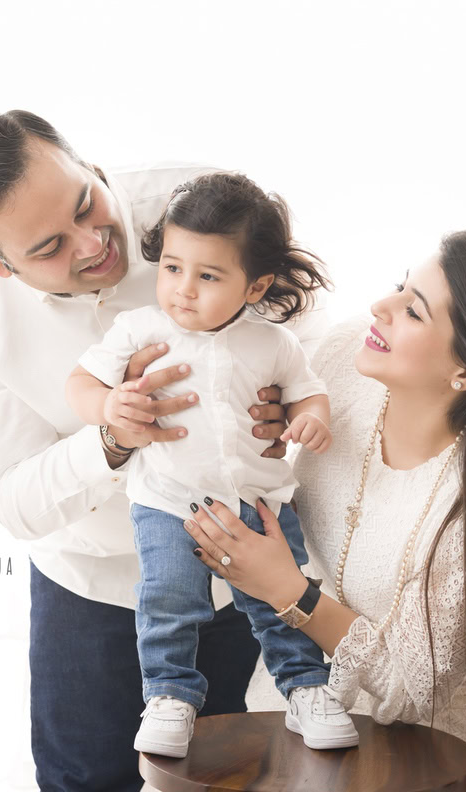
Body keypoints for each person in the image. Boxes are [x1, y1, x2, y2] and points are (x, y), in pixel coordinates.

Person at [0, 111, 326, 792]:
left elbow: (302, 312)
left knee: (237, 779)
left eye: (88, 203)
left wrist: (288, 403)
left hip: (241, 561)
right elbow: (14, 502)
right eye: (51, 246)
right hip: (93, 579)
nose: (93, 243)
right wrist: (111, 439)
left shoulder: (200, 205)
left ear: (86, 163)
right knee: (85, 783)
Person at [184, 231, 466, 792]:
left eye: (413, 310)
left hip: (411, 769)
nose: (381, 307)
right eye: (400, 286)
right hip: (290, 723)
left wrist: (289, 591)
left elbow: (407, 688)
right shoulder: (345, 364)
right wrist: (265, 427)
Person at [65, 172, 357, 759]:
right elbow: (80, 383)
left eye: (208, 276)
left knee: (281, 600)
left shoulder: (273, 343)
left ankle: (306, 690)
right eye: (172, 268)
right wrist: (108, 406)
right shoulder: (139, 329)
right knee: (169, 600)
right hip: (168, 501)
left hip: (259, 503)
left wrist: (313, 419)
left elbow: (308, 392)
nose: (183, 290)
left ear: (257, 285)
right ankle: (169, 696)